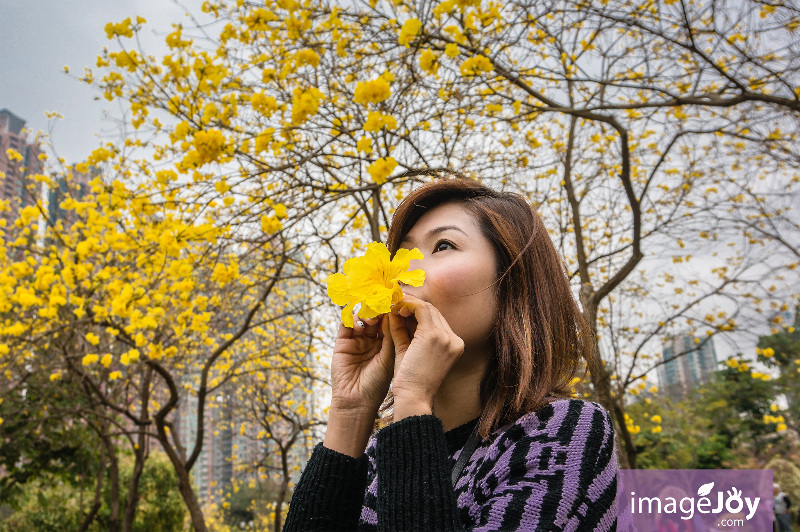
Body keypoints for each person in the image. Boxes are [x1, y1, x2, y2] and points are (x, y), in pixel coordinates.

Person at [283, 177, 622, 531]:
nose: (404, 272)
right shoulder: (377, 457)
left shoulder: (562, 432)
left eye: (443, 245)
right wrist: (350, 411)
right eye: (403, 253)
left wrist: (412, 398)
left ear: (513, 283)